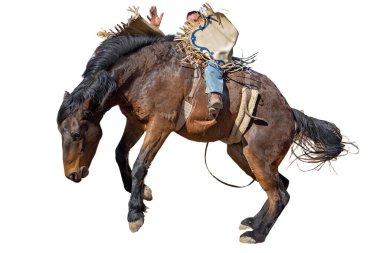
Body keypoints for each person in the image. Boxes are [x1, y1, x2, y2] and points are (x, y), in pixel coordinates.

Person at [147, 6, 224, 117]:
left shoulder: (210, 33)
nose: (192, 24)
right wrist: (154, 27)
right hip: (191, 65)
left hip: (212, 61)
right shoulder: (185, 39)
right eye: (189, 23)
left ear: (202, 21)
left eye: (195, 20)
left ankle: (215, 95)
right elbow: (165, 44)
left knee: (212, 67)